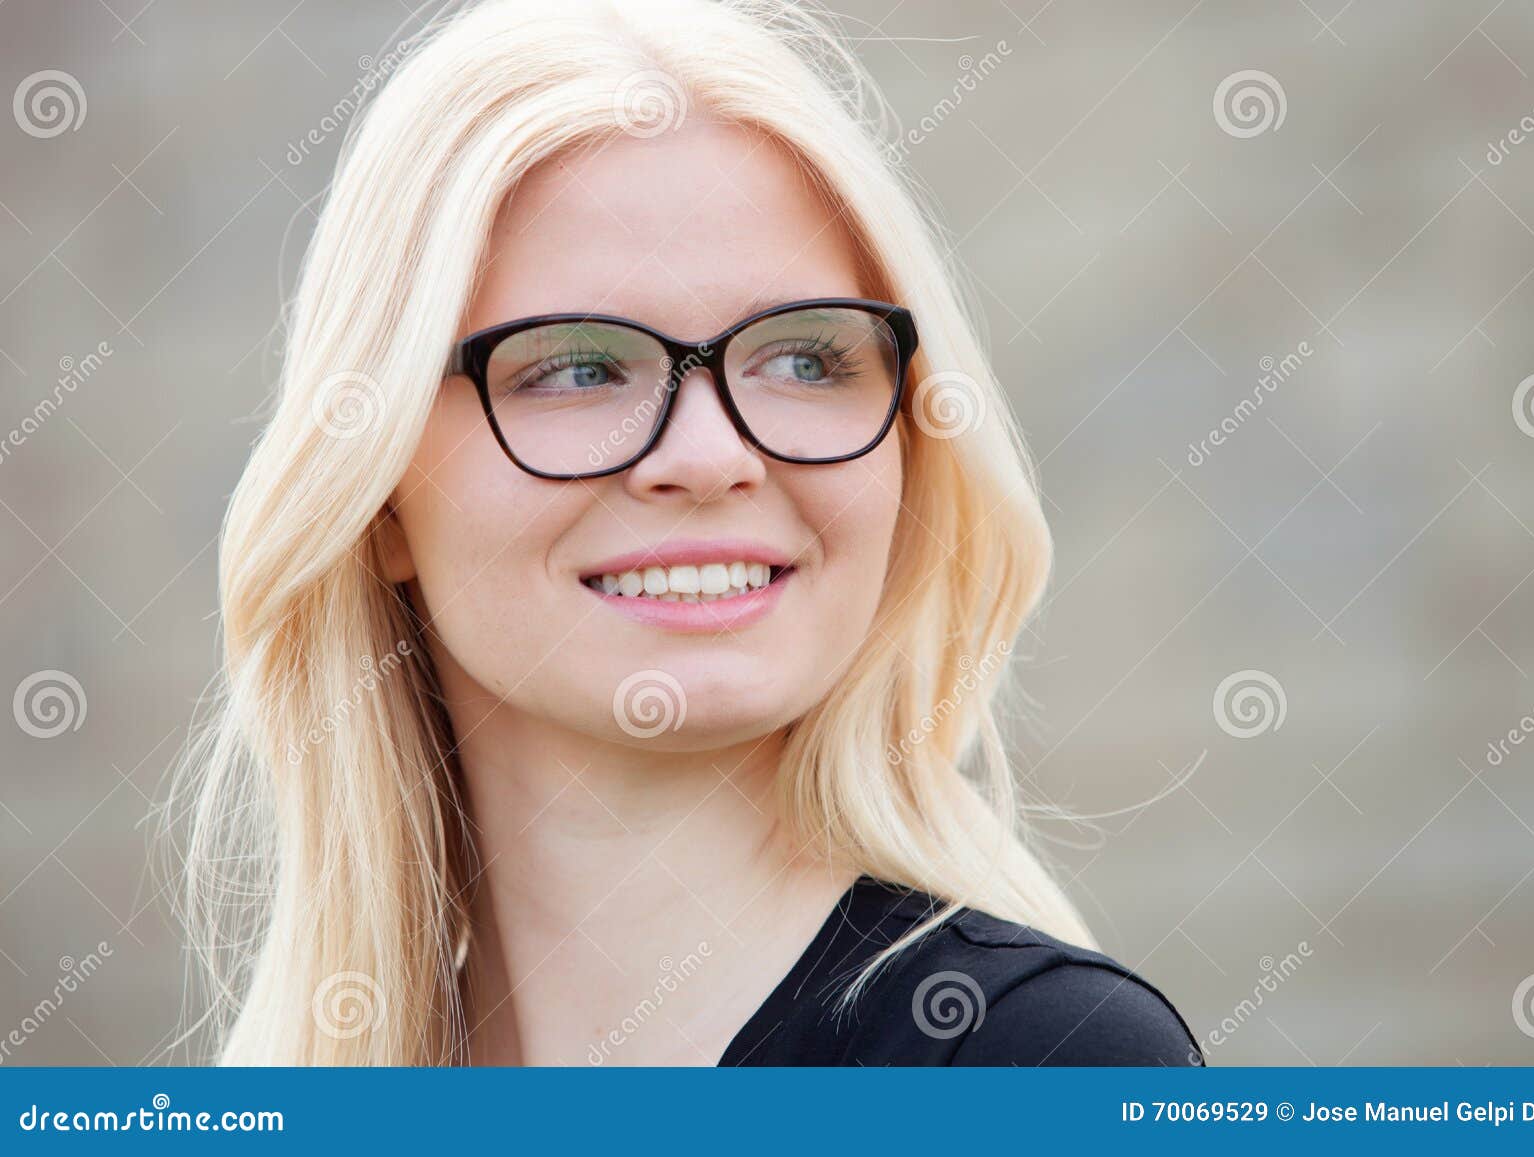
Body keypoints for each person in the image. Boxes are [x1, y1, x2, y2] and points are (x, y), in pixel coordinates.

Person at [175, 0, 1203, 1067]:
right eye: (579, 366)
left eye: (806, 359)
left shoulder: (1038, 1064)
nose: (712, 455)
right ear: (379, 492)